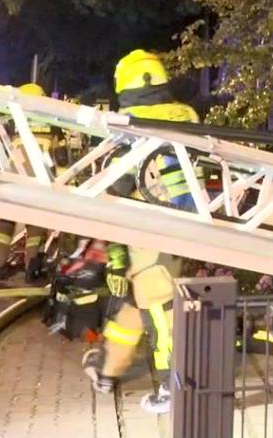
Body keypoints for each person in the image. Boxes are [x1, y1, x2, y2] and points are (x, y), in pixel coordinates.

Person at [82, 49, 199, 415]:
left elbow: (116, 194)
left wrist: (115, 255)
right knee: (134, 308)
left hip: (151, 238)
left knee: (160, 313)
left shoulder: (135, 131)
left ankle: (171, 386)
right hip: (176, 232)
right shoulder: (183, 120)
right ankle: (108, 370)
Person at [0, 82, 56, 281]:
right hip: (39, 183)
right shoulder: (52, 125)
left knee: (5, 224)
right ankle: (31, 270)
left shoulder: (12, 124)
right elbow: (60, 157)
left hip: (13, 180)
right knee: (35, 226)